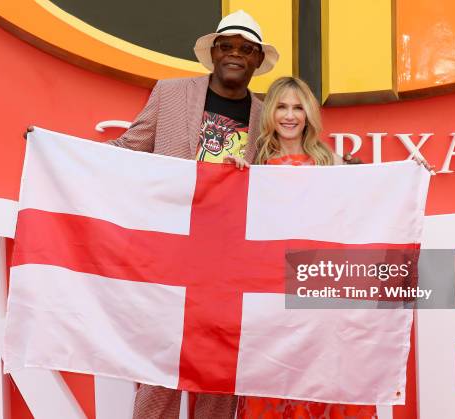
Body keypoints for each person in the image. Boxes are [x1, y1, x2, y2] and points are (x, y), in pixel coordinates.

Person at [108, 10, 279, 419]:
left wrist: (355, 172)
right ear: (213, 53)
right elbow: (130, 148)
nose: (235, 54)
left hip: (231, 260)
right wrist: (60, 151)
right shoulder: (170, 94)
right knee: (163, 365)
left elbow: (291, 170)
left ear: (257, 61)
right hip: (173, 253)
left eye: (246, 49)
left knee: (221, 368)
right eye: (228, 46)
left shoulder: (266, 115)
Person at [225, 76, 378, 419]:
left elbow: (373, 202)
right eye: (281, 106)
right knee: (275, 381)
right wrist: (234, 180)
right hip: (271, 296)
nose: (290, 115)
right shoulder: (254, 163)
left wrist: (411, 175)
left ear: (309, 114)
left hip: (320, 294)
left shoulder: (333, 164)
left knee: (327, 380)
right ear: (270, 113)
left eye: (298, 107)